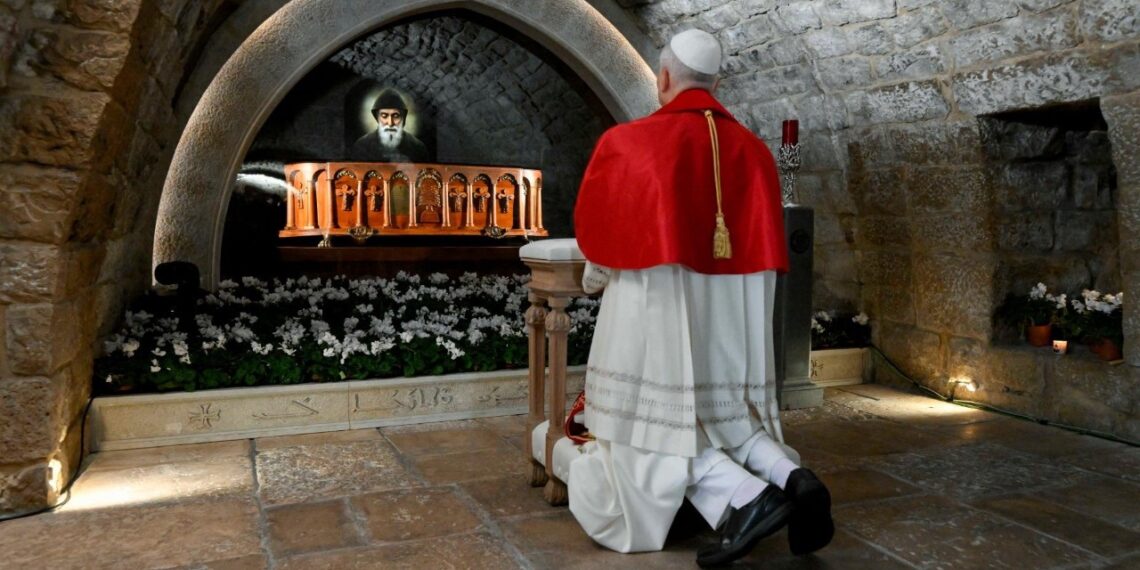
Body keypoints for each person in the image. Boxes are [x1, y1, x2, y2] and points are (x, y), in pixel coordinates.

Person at [568, 29, 834, 567]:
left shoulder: (630, 142)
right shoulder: (755, 152)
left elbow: (601, 242)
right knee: (722, 414)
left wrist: (596, 278)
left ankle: (746, 499)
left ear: (664, 77)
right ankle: (793, 477)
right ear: (717, 83)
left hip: (658, 309)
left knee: (648, 422)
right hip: (731, 317)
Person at [348, 89, 429, 162]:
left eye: (396, 116)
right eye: (384, 116)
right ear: (377, 118)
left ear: (403, 118)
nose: (390, 123)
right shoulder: (362, 146)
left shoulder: (418, 147)